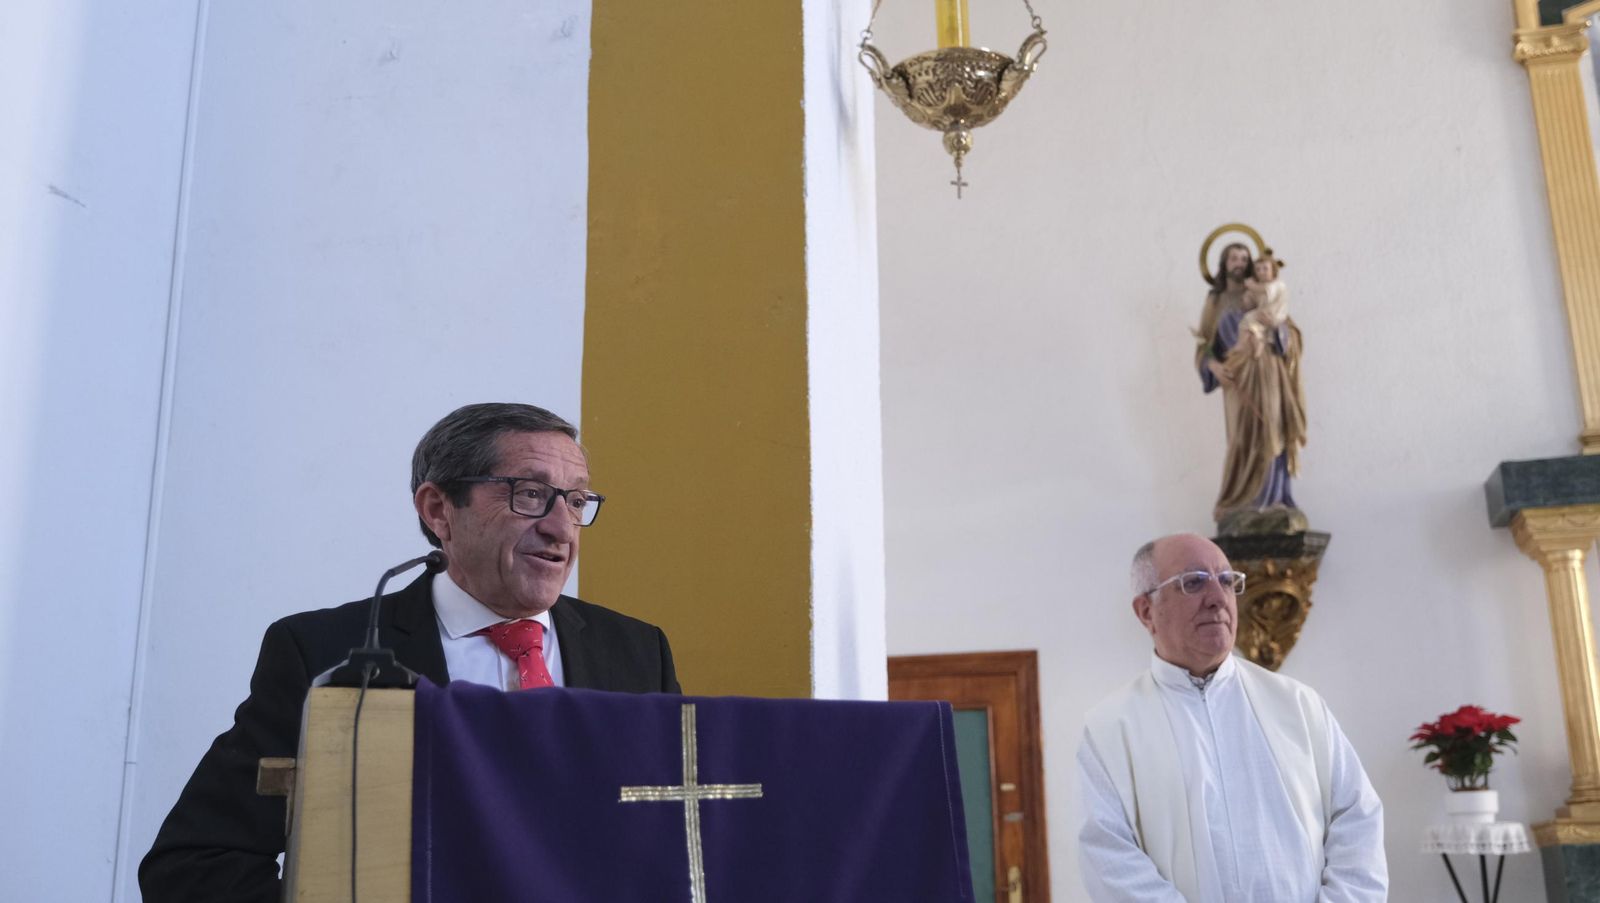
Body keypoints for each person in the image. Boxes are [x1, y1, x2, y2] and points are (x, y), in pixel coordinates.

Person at [140, 402, 682, 902]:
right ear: (439, 509)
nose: (562, 527)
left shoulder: (637, 653)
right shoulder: (327, 652)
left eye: (578, 499)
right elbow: (194, 864)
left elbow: (673, 847)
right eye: (530, 494)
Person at [1076, 533, 1386, 902]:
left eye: (1226, 581)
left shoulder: (1299, 706)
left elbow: (1357, 819)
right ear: (1146, 611)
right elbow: (1108, 857)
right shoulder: (1110, 729)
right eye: (1193, 582)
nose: (1218, 598)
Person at [1194, 244, 1307, 524]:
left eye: (1245, 258)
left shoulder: (1267, 292)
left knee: (1271, 427)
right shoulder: (1216, 301)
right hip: (1236, 380)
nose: (1239, 263)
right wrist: (1213, 365)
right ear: (1223, 263)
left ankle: (1273, 498)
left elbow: (1290, 334)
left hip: (1269, 375)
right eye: (1233, 258)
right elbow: (1204, 346)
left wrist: (1278, 329)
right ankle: (1239, 500)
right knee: (1241, 439)